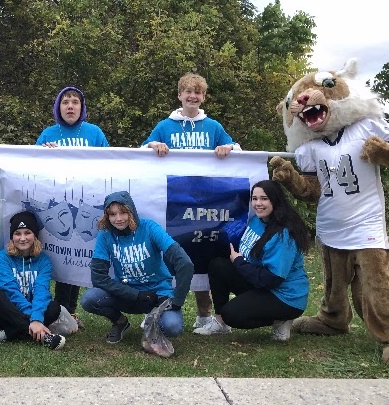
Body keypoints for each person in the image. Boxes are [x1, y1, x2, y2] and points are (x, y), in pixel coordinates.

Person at [142, 72, 241, 331]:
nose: (192, 96)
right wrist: (153, 145)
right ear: (179, 95)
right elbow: (140, 153)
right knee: (172, 255)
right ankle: (159, 305)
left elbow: (239, 152)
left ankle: (204, 314)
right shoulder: (165, 126)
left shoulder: (214, 127)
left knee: (202, 256)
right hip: (173, 203)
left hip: (206, 203)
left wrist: (228, 148)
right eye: (188, 92)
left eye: (198, 92)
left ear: (203, 97)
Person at [193, 180, 310, 341]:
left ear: (275, 200)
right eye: (254, 199)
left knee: (232, 314)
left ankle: (280, 319)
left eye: (264, 198)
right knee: (218, 265)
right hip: (261, 282)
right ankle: (220, 323)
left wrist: (239, 262)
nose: (258, 203)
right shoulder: (258, 220)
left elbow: (271, 279)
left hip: (285, 296)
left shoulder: (284, 235)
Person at [36, 86, 109, 328]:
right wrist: (43, 155)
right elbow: (31, 167)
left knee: (77, 257)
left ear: (82, 107)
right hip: (58, 205)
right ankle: (58, 310)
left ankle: (71, 311)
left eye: (75, 102)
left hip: (84, 204)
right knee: (59, 254)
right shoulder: (48, 134)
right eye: (65, 102)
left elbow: (111, 163)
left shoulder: (94, 133)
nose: (70, 106)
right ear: (58, 107)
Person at [80, 191, 194, 344]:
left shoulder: (150, 228)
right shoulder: (105, 234)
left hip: (158, 294)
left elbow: (185, 264)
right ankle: (120, 322)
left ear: (131, 211)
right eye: (113, 214)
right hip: (126, 293)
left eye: (123, 212)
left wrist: (177, 300)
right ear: (107, 217)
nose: (118, 219)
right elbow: (99, 278)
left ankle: (153, 322)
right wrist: (136, 295)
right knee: (89, 299)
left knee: (172, 327)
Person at [0, 211, 66, 350]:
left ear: (35, 235)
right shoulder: (2, 258)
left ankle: (2, 335)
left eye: (27, 232)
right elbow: (10, 291)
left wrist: (37, 317)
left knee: (54, 307)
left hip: (30, 312)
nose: (22, 238)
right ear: (12, 237)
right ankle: (41, 335)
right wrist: (33, 319)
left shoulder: (44, 261)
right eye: (17, 233)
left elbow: (41, 290)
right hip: (3, 315)